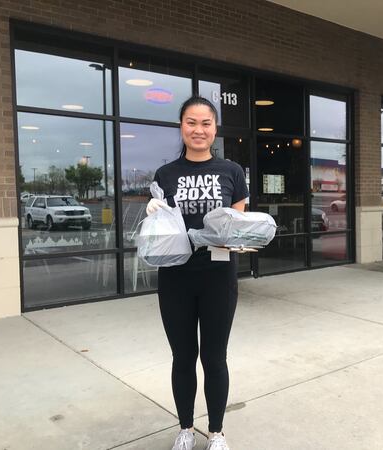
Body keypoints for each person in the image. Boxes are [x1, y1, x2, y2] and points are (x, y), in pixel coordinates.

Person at [147, 95, 248, 450]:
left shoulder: (232, 172)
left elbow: (238, 226)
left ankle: (217, 432)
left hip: (218, 277)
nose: (198, 130)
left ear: (215, 129)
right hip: (175, 277)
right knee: (183, 356)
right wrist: (153, 214)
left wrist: (244, 239)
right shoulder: (166, 174)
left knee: (214, 356)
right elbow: (160, 229)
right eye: (191, 122)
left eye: (206, 123)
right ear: (182, 127)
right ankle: (186, 429)